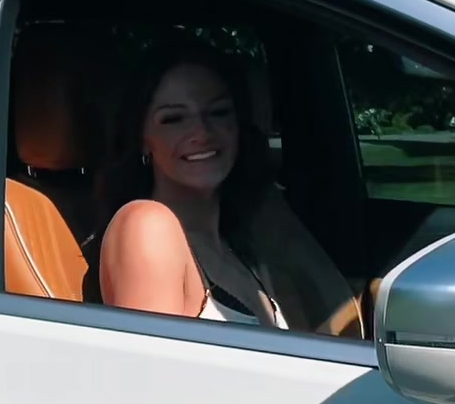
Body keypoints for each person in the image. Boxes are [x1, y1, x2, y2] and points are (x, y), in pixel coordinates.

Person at [94, 33, 366, 337]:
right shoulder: (147, 226)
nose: (201, 132)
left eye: (218, 112)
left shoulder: (245, 244)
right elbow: (150, 365)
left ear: (238, 126)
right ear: (143, 139)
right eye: (173, 119)